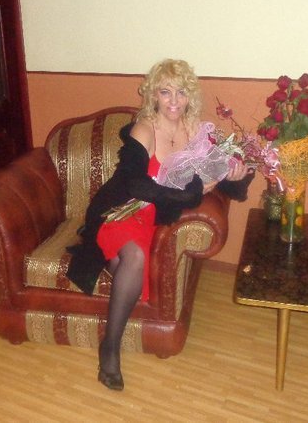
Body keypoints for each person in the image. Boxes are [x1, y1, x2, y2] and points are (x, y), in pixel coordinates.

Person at [67, 59, 253, 391]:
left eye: (181, 92)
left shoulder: (197, 132)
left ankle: (112, 313)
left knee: (125, 266)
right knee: (135, 259)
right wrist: (190, 194)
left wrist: (236, 178)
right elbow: (135, 183)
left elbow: (218, 179)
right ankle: (110, 348)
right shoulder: (144, 128)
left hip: (157, 216)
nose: (173, 101)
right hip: (122, 209)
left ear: (190, 96)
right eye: (165, 92)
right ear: (153, 94)